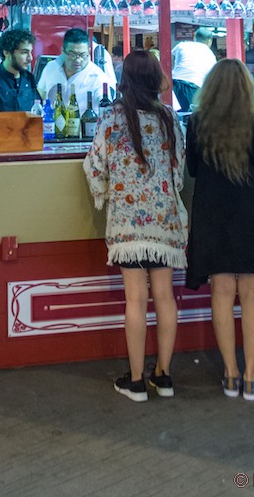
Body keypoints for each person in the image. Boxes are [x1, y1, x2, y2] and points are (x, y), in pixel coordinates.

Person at [83, 50, 186, 402]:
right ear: (157, 79)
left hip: (128, 226)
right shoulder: (170, 118)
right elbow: (179, 172)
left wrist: (104, 194)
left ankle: (137, 381)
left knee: (135, 300)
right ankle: (165, 376)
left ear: (124, 80)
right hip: (165, 221)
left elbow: (96, 169)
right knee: (165, 298)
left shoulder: (111, 118)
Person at [185, 58, 254, 401]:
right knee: (252, 296)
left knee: (221, 293)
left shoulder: (197, 123)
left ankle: (229, 375)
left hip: (212, 214)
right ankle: (251, 377)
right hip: (251, 215)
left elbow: (195, 170)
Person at [37, 28, 116, 112]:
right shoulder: (51, 67)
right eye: (72, 55)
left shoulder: (98, 78)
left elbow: (107, 111)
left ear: (89, 51)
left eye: (82, 55)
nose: (78, 60)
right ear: (63, 50)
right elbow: (41, 93)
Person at [0, 29, 39, 112]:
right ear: (6, 52)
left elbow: (37, 110)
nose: (30, 58)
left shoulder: (29, 78)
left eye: (30, 52)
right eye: (24, 52)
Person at [171, 27, 216, 112]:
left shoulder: (182, 45)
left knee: (174, 113)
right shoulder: (211, 55)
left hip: (174, 84)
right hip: (193, 87)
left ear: (194, 37)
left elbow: (173, 61)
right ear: (210, 41)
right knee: (190, 116)